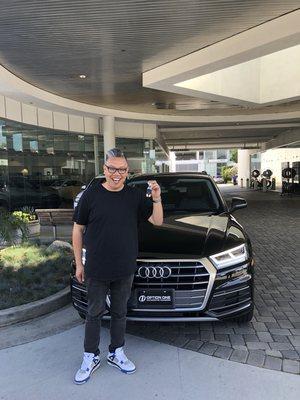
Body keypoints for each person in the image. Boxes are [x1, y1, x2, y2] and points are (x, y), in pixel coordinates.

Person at [72, 148, 163, 384]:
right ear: (104, 169)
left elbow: (157, 220)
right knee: (94, 313)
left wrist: (156, 197)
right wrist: (78, 264)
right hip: (96, 267)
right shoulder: (91, 194)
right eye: (112, 168)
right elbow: (77, 229)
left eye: (122, 170)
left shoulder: (134, 196)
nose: (116, 173)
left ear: (127, 172)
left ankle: (116, 352)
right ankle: (90, 356)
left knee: (120, 313)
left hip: (124, 267)